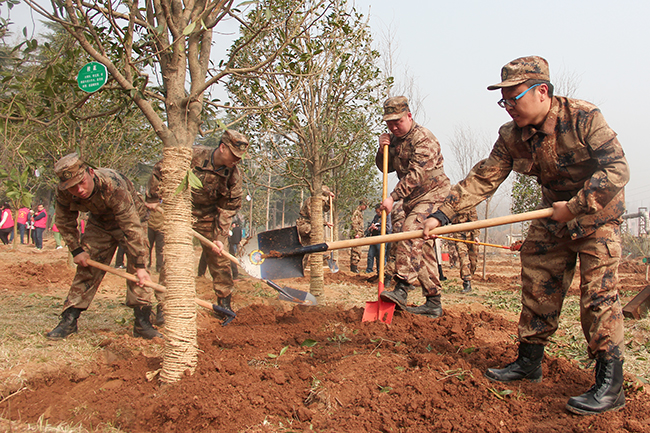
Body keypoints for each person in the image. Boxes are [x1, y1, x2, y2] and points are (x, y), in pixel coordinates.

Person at [423, 56, 629, 415]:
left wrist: (576, 206)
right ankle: (529, 362)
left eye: (513, 98)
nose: (508, 107)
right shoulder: (511, 136)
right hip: (552, 217)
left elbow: (617, 168)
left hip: (597, 215)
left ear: (542, 91)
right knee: (537, 285)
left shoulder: (583, 117)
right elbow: (484, 177)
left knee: (598, 296)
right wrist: (442, 214)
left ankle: (610, 384)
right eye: (503, 101)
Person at [46, 153, 161, 340]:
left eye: (81, 182)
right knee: (87, 266)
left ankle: (142, 323)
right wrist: (76, 250)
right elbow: (64, 221)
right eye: (72, 187)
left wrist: (140, 264)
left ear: (90, 172)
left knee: (137, 272)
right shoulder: (64, 192)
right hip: (100, 222)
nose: (79, 190)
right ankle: (69, 320)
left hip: (133, 219)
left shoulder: (113, 185)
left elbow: (131, 226)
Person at [148, 129, 249, 318]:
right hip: (181, 212)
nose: (237, 160)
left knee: (221, 261)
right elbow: (161, 168)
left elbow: (229, 207)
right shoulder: (193, 155)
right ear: (222, 148)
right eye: (234, 155)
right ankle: (163, 307)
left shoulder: (233, 174)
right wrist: (153, 197)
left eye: (240, 157)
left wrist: (219, 237)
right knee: (173, 260)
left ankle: (224, 306)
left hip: (210, 216)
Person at [375, 96, 451, 318]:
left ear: (409, 116)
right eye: (389, 123)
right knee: (422, 247)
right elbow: (385, 168)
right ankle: (433, 302)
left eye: (398, 121)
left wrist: (393, 197)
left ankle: (401, 288)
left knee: (409, 232)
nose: (394, 127)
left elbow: (416, 175)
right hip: (414, 200)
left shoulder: (423, 139)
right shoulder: (394, 141)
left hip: (434, 195)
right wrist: (382, 150)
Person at [296, 185, 335, 269]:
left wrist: (330, 200)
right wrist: (325, 223)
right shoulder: (312, 200)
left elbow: (326, 208)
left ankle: (300, 268)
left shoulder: (320, 201)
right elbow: (313, 216)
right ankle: (320, 250)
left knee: (306, 249)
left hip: (310, 225)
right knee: (317, 231)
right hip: (304, 224)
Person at [447, 208, 480, 293]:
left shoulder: (470, 206)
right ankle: (466, 282)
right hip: (459, 235)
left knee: (473, 261)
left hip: (471, 234)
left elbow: (475, 221)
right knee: (463, 258)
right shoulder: (453, 205)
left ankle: (469, 276)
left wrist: (476, 236)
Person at [365, 203, 392, 274]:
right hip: (374, 237)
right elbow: (372, 223)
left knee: (381, 256)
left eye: (378, 212)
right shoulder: (376, 217)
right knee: (370, 255)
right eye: (376, 212)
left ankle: (381, 271)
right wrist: (371, 227)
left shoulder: (387, 217)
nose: (377, 213)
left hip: (382, 238)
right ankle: (369, 270)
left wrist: (377, 228)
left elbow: (388, 228)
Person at [349, 200, 367, 273]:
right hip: (357, 234)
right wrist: (356, 233)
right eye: (365, 206)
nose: (365, 208)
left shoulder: (359, 212)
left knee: (357, 250)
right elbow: (354, 223)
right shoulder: (357, 212)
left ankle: (354, 266)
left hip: (359, 233)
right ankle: (354, 267)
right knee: (356, 251)